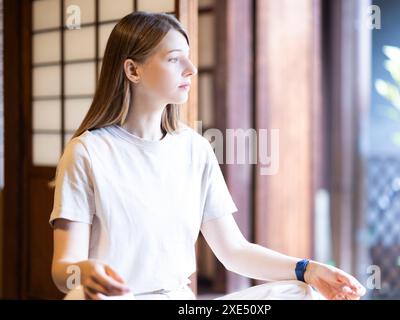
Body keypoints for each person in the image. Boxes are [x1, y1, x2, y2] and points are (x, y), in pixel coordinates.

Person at [50, 11, 366, 300]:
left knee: (298, 293)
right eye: (175, 59)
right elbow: (63, 271)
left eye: (188, 58)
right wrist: (86, 272)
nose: (192, 69)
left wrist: (308, 269)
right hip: (110, 299)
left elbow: (234, 251)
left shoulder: (195, 148)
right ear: (133, 70)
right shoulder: (87, 152)